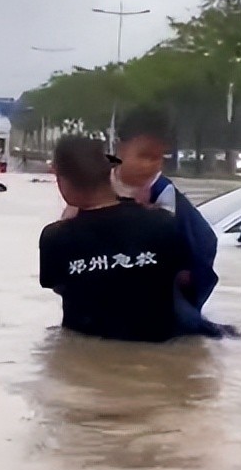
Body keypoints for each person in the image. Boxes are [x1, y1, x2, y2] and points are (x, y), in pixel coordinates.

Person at [59, 107, 226, 337]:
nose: (150, 165)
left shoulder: (161, 191)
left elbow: (172, 240)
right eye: (143, 156)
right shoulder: (101, 180)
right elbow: (75, 216)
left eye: (158, 158)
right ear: (120, 149)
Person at [40, 136, 190, 342]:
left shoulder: (55, 237)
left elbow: (59, 285)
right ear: (108, 174)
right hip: (157, 352)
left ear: (61, 179)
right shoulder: (163, 223)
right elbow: (184, 278)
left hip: (84, 360)